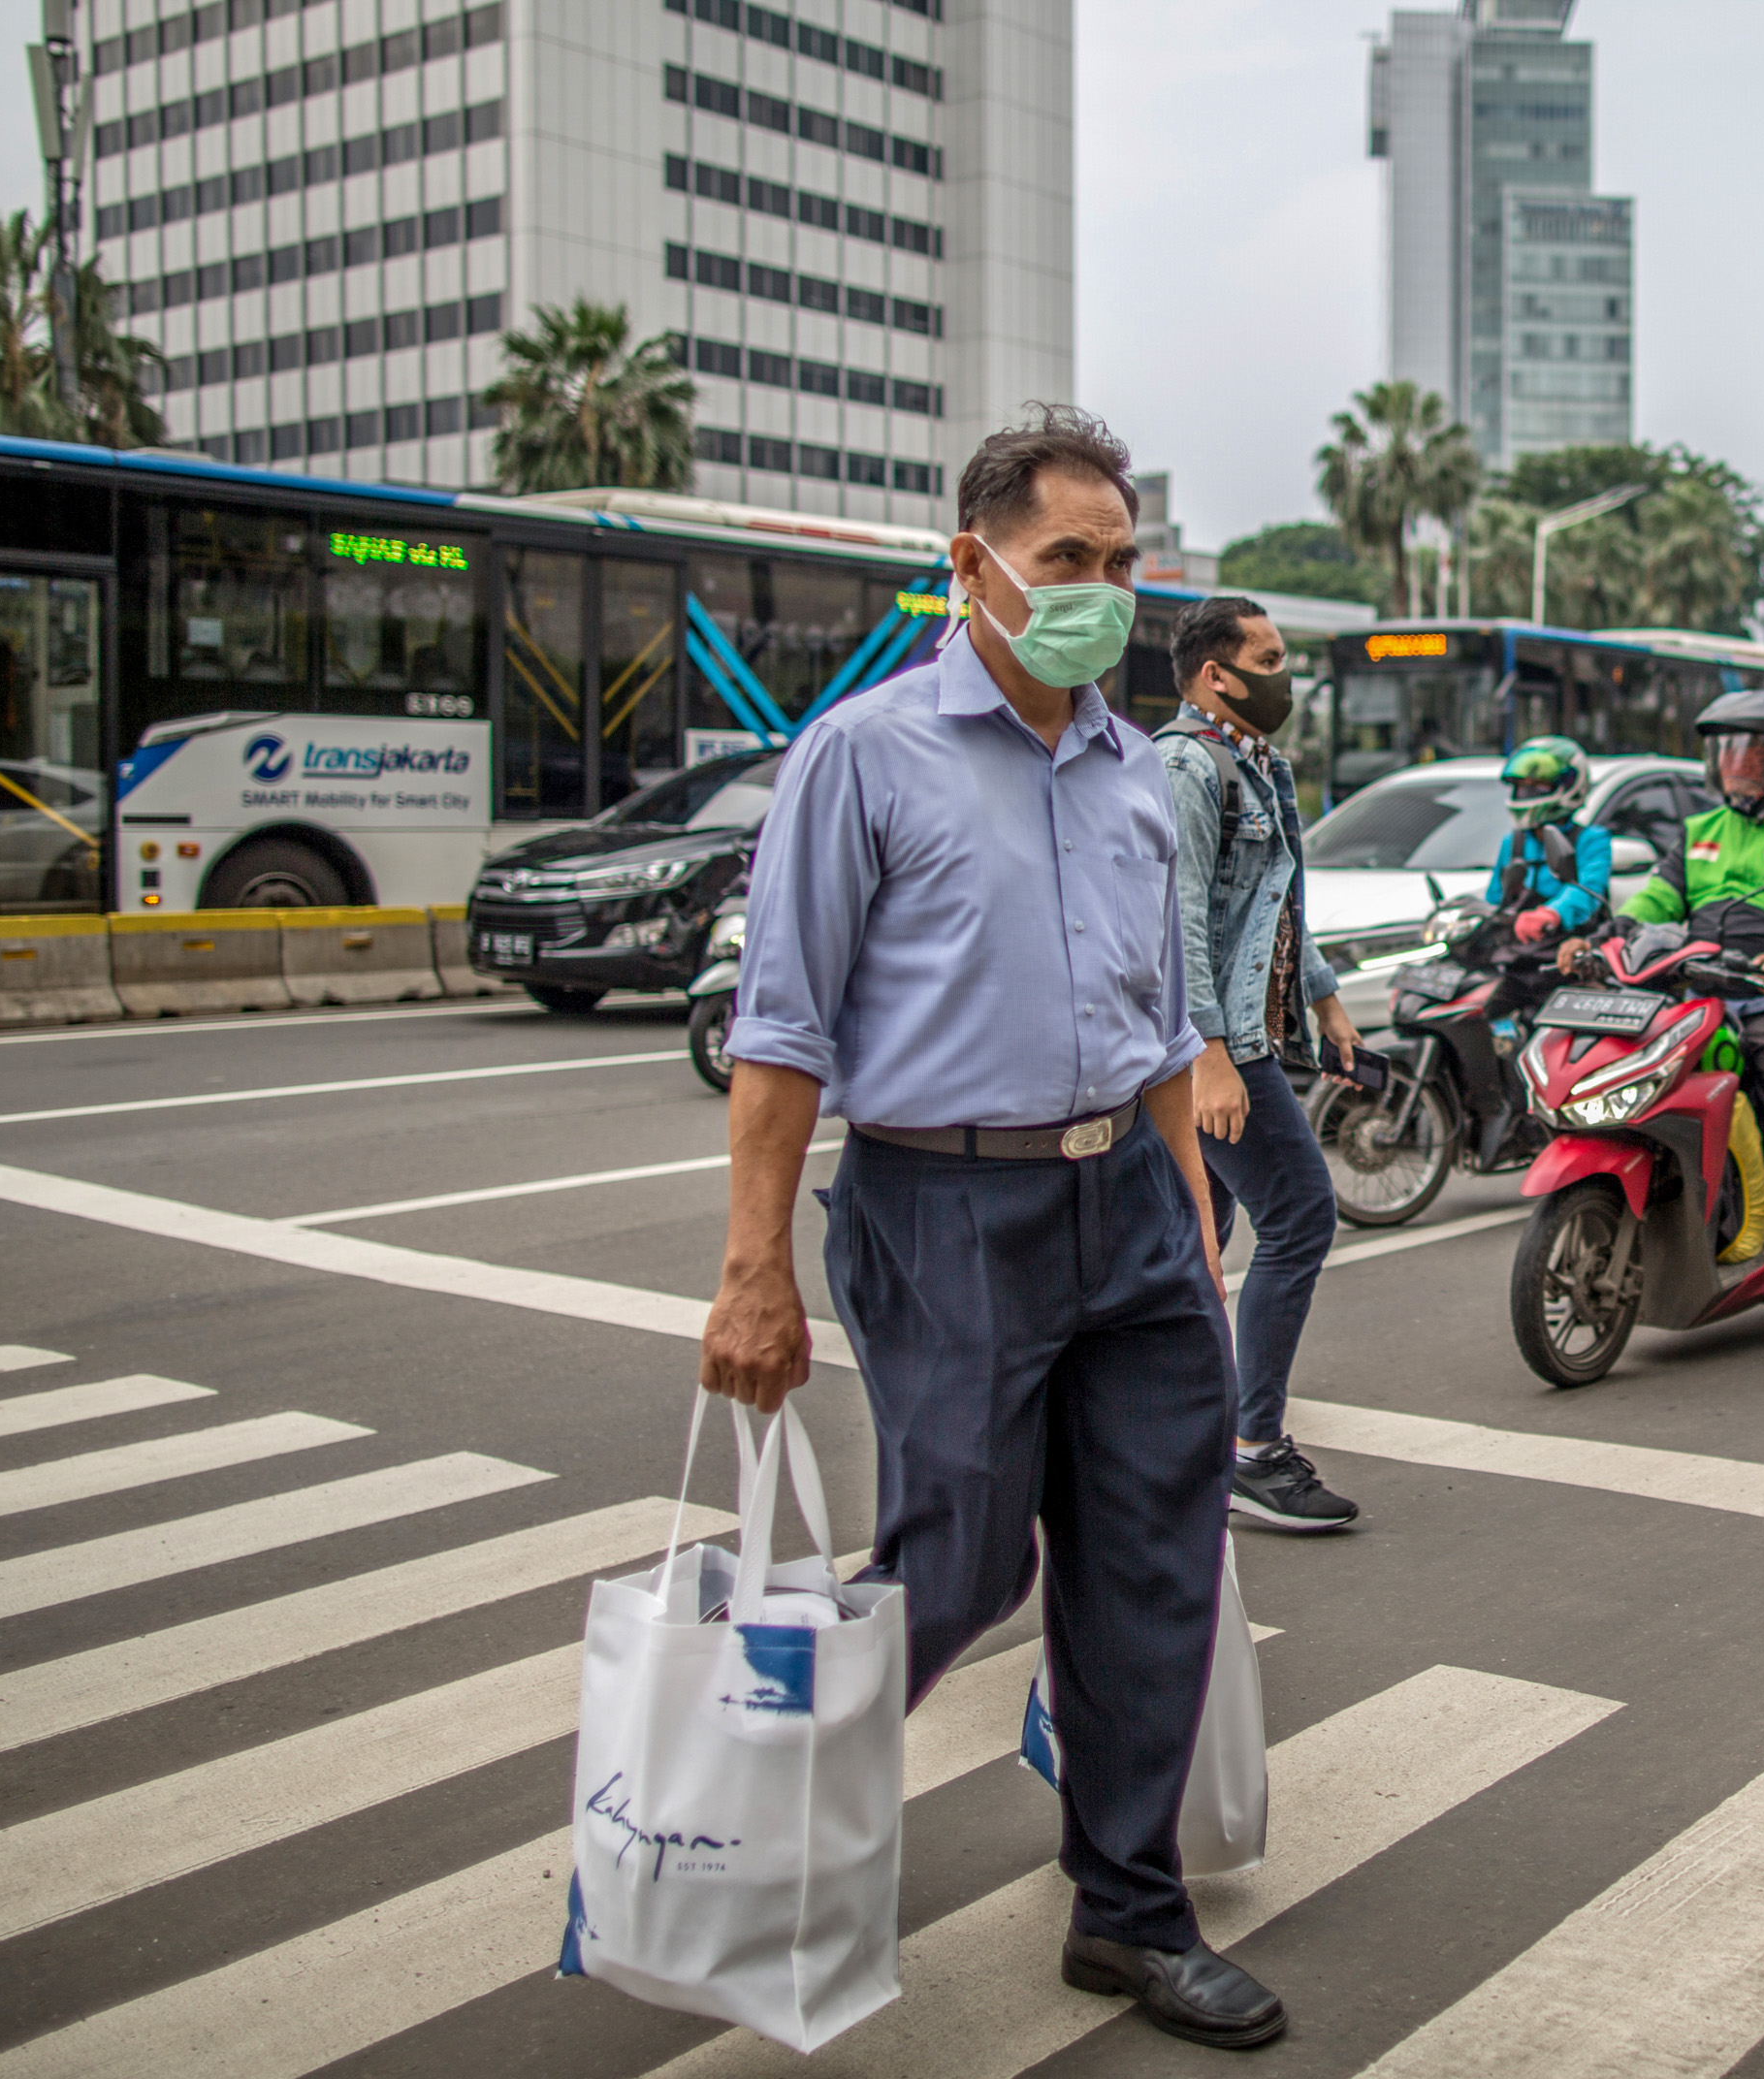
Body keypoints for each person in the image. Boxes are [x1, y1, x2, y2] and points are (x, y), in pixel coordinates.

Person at [699, 405, 1286, 2052]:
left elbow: (1161, 1018)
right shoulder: (865, 754)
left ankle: (1129, 1908)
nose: (1100, 590)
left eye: (1119, 561)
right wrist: (751, 1269)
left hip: (1131, 1207)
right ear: (973, 568)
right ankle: (754, 1795)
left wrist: (1190, 1214)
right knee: (957, 1551)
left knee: (1153, 1551)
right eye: (1065, 561)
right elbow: (781, 1032)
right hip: (942, 1201)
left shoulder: (1131, 771)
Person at [1561, 688, 1764, 1360]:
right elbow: (1654, 899)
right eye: (1723, 745)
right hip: (1696, 986)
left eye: (1749, 745)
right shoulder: (1701, 830)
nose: (1732, 759)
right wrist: (1606, 935)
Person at [1157, 594, 1364, 1534]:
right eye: (1272, 657)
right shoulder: (1186, 768)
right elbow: (1180, 920)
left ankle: (1173, 1428)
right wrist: (1207, 1052)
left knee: (1203, 1233)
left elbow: (1276, 905)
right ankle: (1253, 1447)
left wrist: (1323, 996)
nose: (1288, 674)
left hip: (1254, 1032)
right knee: (1299, 1214)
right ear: (1217, 674)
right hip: (1219, 1045)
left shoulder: (1255, 760)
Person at [1486, 735, 1612, 948]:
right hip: (1518, 949)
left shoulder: (1591, 839)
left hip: (1567, 948)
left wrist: (1552, 914)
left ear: (1569, 783)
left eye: (1538, 785)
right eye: (1522, 786)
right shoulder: (1514, 842)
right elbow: (1494, 898)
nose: (1527, 793)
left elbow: (1587, 891)